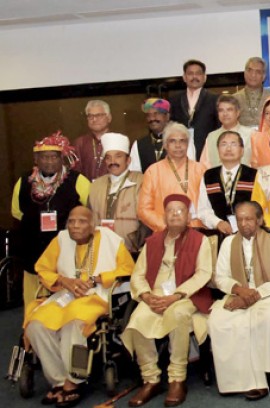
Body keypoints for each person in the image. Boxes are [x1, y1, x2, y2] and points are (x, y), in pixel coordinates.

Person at [24, 207, 134, 408]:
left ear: (92, 225)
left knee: (74, 323)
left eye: (82, 221)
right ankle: (59, 380)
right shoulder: (61, 239)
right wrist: (63, 280)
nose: (75, 226)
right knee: (36, 325)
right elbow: (42, 268)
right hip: (65, 294)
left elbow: (128, 269)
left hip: (97, 295)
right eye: (71, 221)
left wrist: (97, 279)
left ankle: (75, 380)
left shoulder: (110, 239)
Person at [124, 194, 213, 407]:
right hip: (154, 295)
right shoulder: (152, 242)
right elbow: (137, 275)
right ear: (164, 216)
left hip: (187, 295)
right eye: (170, 211)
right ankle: (150, 378)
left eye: (180, 210)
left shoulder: (200, 240)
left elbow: (203, 273)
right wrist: (146, 296)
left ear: (189, 216)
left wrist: (176, 296)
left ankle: (177, 378)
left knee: (177, 314)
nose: (175, 214)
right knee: (137, 319)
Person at [208, 201, 270, 400]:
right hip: (238, 293)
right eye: (239, 219)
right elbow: (220, 277)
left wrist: (253, 295)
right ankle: (234, 379)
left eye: (248, 219)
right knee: (218, 320)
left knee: (264, 318)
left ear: (260, 220)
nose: (244, 224)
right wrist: (239, 290)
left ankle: (261, 378)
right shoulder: (228, 243)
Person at [11, 133, 90, 305]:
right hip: (33, 254)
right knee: (34, 303)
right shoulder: (23, 181)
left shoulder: (78, 180)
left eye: (54, 157)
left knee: (65, 303)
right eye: (44, 157)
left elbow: (90, 213)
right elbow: (17, 212)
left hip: (66, 254)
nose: (49, 161)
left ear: (62, 159)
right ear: (36, 160)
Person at [138, 123, 206, 232]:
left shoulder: (201, 170)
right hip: (165, 232)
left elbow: (209, 206)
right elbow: (143, 209)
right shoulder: (153, 171)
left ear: (188, 144)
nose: (178, 145)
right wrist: (169, 226)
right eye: (172, 141)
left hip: (197, 230)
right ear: (165, 145)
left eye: (182, 141)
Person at [87, 133, 146, 254]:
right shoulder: (96, 185)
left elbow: (147, 220)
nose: (112, 161)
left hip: (131, 250)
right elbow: (89, 216)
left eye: (118, 156)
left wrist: (137, 244)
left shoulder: (142, 181)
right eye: (108, 158)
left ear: (128, 160)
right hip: (101, 249)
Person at [197, 131, 257, 235]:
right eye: (224, 144)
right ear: (218, 150)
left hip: (249, 233)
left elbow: (260, 207)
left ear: (242, 150)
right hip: (218, 233)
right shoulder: (209, 176)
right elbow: (203, 209)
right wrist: (217, 223)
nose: (228, 149)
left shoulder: (254, 175)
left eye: (233, 144)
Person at [168, 59, 220, 160]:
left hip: (206, 151)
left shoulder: (215, 99)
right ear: (184, 77)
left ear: (204, 77)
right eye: (190, 73)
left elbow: (218, 127)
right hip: (180, 151)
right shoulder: (174, 100)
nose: (194, 77)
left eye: (198, 73)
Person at [129, 98, 196, 172]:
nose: (152, 118)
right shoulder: (138, 145)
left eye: (156, 114)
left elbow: (191, 168)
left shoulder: (183, 140)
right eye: (148, 115)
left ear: (167, 116)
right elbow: (135, 174)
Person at [199, 95, 253, 169]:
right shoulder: (211, 136)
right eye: (221, 110)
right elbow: (204, 165)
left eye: (229, 110)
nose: (225, 114)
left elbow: (257, 163)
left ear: (238, 112)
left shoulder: (251, 135)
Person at [71, 100, 113, 180]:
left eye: (99, 115)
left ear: (109, 118)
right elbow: (75, 172)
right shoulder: (80, 143)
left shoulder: (118, 140)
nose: (94, 119)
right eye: (90, 116)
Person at [233, 57, 270, 127]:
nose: (253, 75)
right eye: (250, 70)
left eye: (258, 72)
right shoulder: (234, 99)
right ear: (244, 73)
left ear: (264, 76)